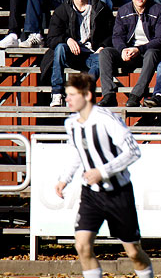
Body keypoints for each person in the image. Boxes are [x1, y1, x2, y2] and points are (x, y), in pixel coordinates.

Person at [55, 73, 153, 278]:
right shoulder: (71, 123)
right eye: (67, 95)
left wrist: (103, 171)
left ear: (88, 95)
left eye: (72, 94)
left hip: (118, 193)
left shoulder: (107, 119)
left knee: (133, 252)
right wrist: (65, 178)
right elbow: (77, 152)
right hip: (91, 194)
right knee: (82, 246)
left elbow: (134, 151)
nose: (68, 99)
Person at [44, 0, 113, 107]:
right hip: (72, 54)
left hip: (92, 53)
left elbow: (112, 32)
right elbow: (51, 38)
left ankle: (84, 89)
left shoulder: (100, 8)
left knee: (102, 58)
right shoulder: (63, 10)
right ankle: (57, 93)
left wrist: (103, 46)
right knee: (59, 48)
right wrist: (67, 39)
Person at [97, 0, 161, 107]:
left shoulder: (158, 10)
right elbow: (117, 36)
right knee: (105, 53)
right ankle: (108, 95)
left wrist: (138, 49)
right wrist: (123, 49)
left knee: (152, 53)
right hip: (128, 52)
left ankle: (135, 96)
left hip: (148, 53)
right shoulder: (123, 11)